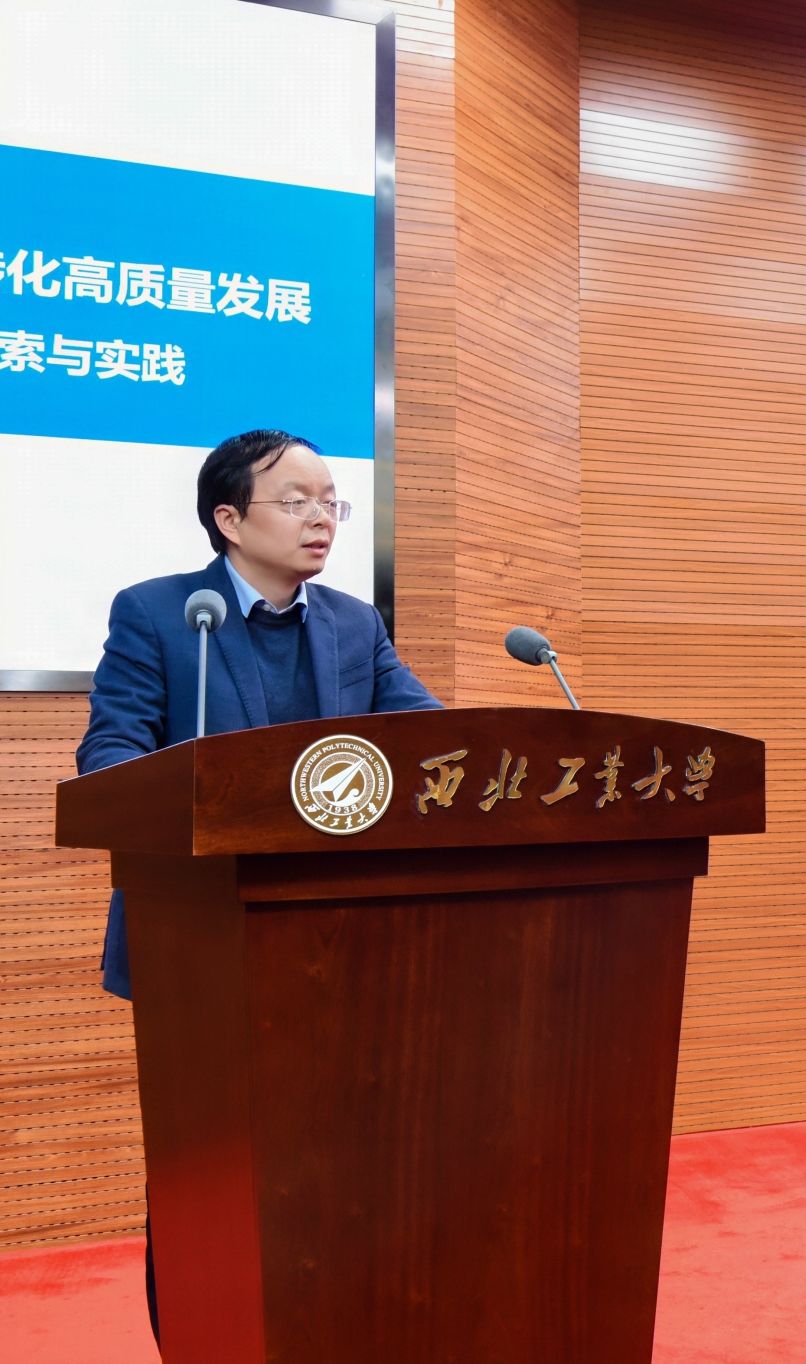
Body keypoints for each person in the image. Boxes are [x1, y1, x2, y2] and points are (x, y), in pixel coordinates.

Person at [75, 428, 440, 1341]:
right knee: (207, 1166)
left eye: (331, 501)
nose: (322, 518)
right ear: (229, 520)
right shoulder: (161, 613)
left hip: (341, 937)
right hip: (198, 940)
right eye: (297, 500)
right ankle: (201, 1335)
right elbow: (110, 752)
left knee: (339, 1159)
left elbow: (429, 742)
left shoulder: (355, 623)